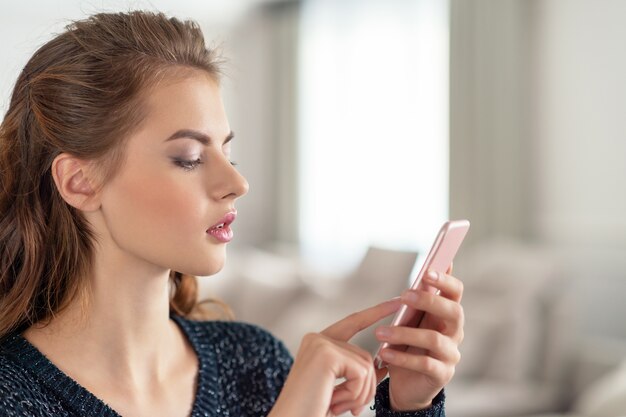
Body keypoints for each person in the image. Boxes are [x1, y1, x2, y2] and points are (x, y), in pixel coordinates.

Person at [0, 10, 464, 417]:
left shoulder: (256, 363)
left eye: (227, 153)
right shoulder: (11, 393)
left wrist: (410, 406)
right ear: (81, 181)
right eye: (189, 157)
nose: (238, 184)